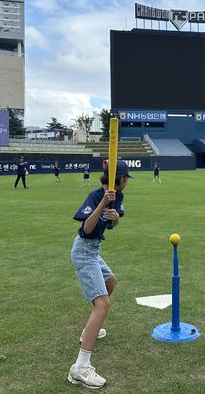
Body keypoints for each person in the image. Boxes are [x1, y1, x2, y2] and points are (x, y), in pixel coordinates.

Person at [68, 160, 133, 389]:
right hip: (84, 250)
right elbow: (86, 229)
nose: (127, 183)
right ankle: (80, 368)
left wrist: (114, 219)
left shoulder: (119, 198)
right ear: (122, 178)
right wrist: (102, 204)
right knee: (102, 304)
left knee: (110, 283)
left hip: (95, 250)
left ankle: (89, 331)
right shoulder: (96, 195)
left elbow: (112, 225)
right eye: (127, 179)